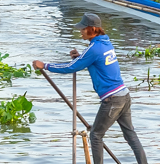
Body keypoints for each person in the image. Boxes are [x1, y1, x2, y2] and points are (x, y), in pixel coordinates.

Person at [33, 14, 150, 164]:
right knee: (130, 135)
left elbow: (71, 67)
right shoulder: (106, 43)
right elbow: (94, 60)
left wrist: (46, 65)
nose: (80, 31)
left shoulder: (94, 48)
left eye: (83, 28)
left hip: (113, 99)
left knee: (96, 135)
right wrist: (80, 57)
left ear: (92, 29)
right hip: (124, 95)